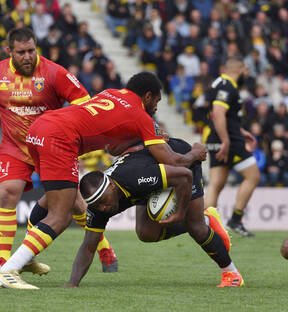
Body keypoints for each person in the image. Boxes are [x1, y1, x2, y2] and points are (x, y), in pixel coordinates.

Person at [0, 72, 207, 289]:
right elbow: (172, 160)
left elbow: (113, 146)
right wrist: (195, 152)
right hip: (60, 138)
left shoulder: (111, 94)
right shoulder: (141, 115)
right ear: (148, 96)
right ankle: (8, 269)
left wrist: (150, 135)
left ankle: (26, 258)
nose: (156, 107)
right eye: (157, 101)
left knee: (58, 199)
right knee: (60, 216)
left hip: (39, 129)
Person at [0, 27, 117, 275]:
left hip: (50, 146)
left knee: (72, 203)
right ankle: (4, 263)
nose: (28, 56)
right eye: (21, 52)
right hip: (15, 147)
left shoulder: (54, 72)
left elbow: (85, 103)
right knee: (7, 192)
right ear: (9, 51)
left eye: (32, 50)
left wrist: (63, 126)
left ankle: (104, 248)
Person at [62, 138, 244, 288]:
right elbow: (88, 246)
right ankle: (206, 219)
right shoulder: (98, 204)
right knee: (146, 233)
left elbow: (184, 176)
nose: (102, 208)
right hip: (150, 176)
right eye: (96, 205)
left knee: (195, 226)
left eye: (103, 202)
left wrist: (181, 213)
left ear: (111, 186)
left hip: (180, 160)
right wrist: (72, 283)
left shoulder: (136, 177)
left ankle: (232, 274)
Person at [203, 58, 260, 237]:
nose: (247, 75)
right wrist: (226, 140)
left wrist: (241, 130)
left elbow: (225, 115)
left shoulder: (220, 83)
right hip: (228, 140)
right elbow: (219, 112)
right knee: (253, 176)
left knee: (216, 183)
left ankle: (206, 226)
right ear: (240, 68)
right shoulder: (227, 85)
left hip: (221, 135)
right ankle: (235, 220)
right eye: (247, 70)